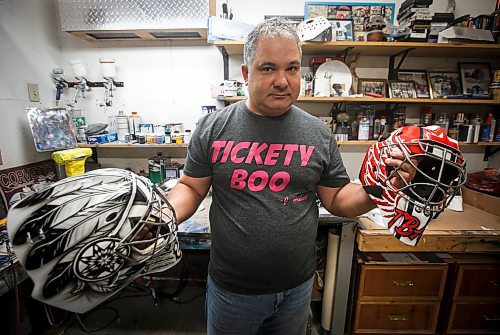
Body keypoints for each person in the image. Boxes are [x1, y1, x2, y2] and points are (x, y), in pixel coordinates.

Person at [165, 18, 415, 335]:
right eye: (268, 68)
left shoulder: (317, 134)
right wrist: (164, 213)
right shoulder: (213, 128)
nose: (282, 81)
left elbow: (338, 199)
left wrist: (383, 187)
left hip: (297, 289)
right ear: (246, 74)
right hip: (233, 292)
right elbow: (190, 187)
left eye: (292, 69)